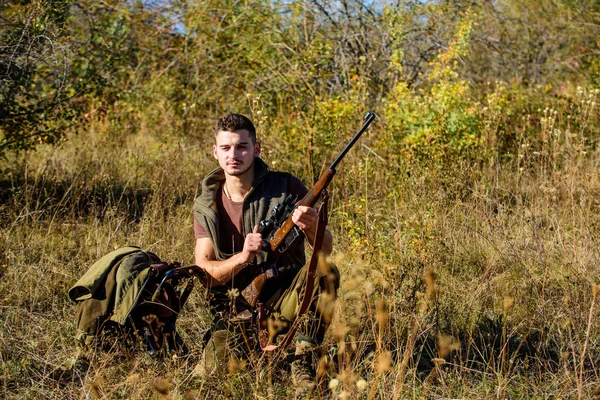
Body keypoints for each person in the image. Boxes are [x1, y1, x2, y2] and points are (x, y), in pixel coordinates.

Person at [192, 113, 339, 390]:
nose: (233, 154)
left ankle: (302, 358)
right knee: (208, 377)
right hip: (236, 307)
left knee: (326, 272)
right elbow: (205, 272)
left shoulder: (287, 187)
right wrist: (243, 257)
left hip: (287, 299)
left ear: (256, 149)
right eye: (225, 148)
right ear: (215, 152)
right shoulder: (207, 204)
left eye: (242, 146)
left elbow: (325, 250)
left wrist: (312, 225)